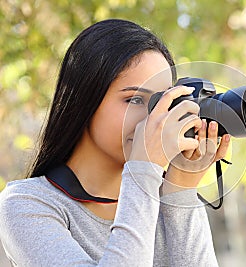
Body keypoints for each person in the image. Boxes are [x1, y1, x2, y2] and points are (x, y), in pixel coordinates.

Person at [0, 19, 230, 266]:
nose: (156, 118)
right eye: (135, 100)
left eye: (164, 101)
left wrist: (181, 188)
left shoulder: (161, 201)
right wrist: (144, 169)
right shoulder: (28, 205)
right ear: (83, 101)